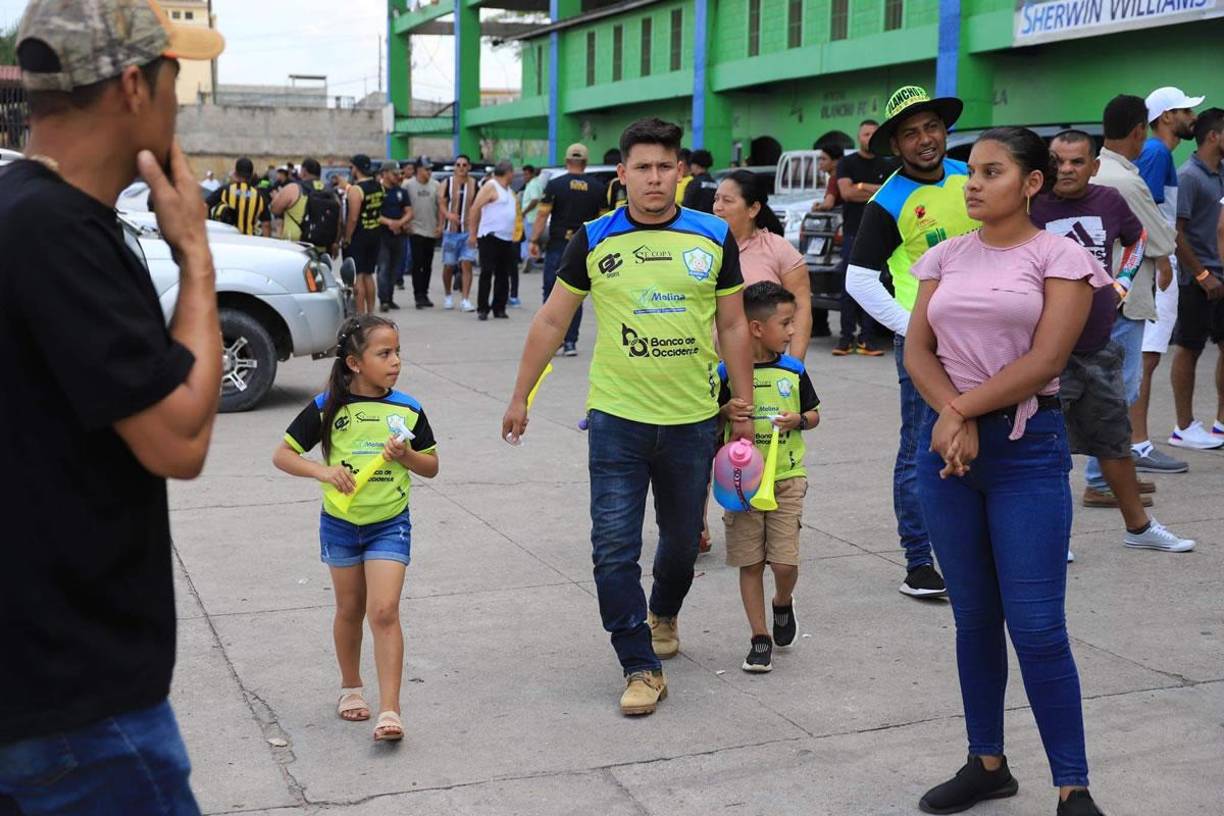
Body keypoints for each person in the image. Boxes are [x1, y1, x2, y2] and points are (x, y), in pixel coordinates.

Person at [0, 2, 224, 811]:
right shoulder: (58, 233)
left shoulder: (21, 210)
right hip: (78, 714)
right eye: (175, 81)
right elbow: (180, 438)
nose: (181, 105)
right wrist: (194, 253)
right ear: (135, 85)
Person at [501, 117, 754, 717]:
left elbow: (734, 324)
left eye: (666, 166)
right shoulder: (594, 237)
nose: (654, 178)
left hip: (693, 419)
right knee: (613, 548)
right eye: (642, 167)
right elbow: (551, 320)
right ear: (622, 175)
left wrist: (742, 406)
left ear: (683, 172)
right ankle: (639, 663)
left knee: (678, 543)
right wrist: (521, 396)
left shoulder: (714, 235)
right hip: (616, 419)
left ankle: (663, 611)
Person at [905, 127, 1111, 816]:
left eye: (992, 172)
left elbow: (1046, 361)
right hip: (948, 455)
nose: (973, 183)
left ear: (1031, 183)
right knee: (974, 619)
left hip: (1025, 453)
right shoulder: (945, 256)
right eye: (971, 172)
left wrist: (957, 410)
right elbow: (917, 350)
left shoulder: (1062, 258)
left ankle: (1072, 786)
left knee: (1038, 627)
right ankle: (987, 763)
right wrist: (951, 418)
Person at [272, 315, 439, 743]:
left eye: (398, 352)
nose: (396, 361)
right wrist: (323, 473)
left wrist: (405, 457)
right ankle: (351, 688)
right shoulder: (328, 406)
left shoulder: (409, 409)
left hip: (389, 523)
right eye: (384, 353)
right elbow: (283, 455)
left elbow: (432, 466)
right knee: (350, 609)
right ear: (354, 362)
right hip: (341, 524)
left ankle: (390, 710)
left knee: (383, 610)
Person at [846, 85, 980, 598]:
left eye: (931, 127)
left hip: (987, 337)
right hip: (925, 346)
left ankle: (990, 537)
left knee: (991, 435)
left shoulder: (972, 177)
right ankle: (918, 561)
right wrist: (914, 331)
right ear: (896, 145)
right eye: (910, 133)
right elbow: (860, 281)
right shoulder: (888, 202)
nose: (925, 140)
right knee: (922, 448)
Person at [1032, 129, 1194, 554]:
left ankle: (1139, 529)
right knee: (1049, 450)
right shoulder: (1032, 205)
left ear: (1094, 166)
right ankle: (1051, 539)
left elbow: (1138, 238)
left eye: (1076, 162)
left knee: (1114, 443)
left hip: (1098, 344)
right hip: (1047, 352)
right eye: (1058, 161)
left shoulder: (1109, 201)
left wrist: (1121, 283)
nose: (1065, 169)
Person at [1084, 99, 1192, 499]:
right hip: (1124, 299)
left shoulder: (1100, 172)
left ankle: (1112, 474)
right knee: (1120, 392)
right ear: (1138, 131)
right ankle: (1100, 480)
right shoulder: (1126, 182)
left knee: (1109, 390)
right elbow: (1163, 238)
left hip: (1103, 295)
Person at [717, 282, 821, 673]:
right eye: (786, 323)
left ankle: (782, 601)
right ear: (757, 328)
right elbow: (710, 419)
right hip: (742, 485)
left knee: (783, 563)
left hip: (786, 478)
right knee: (749, 562)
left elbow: (814, 413)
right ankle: (759, 637)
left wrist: (799, 420)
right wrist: (725, 411)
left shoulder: (793, 371)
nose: (793, 331)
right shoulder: (727, 371)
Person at [1131, 87, 1206, 470]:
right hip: (1154, 266)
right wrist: (1160, 262)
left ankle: (1135, 443)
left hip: (1156, 263)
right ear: (1165, 117)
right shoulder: (1157, 153)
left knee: (1146, 357)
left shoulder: (1159, 152)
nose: (1193, 117)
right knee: (1145, 358)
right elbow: (1142, 209)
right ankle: (1138, 444)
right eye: (1185, 110)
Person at [713, 170, 812, 358]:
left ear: (753, 209)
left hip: (765, 369)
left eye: (727, 201)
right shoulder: (703, 249)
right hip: (711, 370)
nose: (717, 207)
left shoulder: (778, 249)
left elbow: (801, 309)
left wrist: (795, 366)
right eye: (716, 199)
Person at [1170, 108, 1224, 448]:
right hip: (1197, 280)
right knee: (1188, 349)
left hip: (1221, 278)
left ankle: (1221, 424)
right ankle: (1183, 427)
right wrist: (1202, 274)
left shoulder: (1220, 173)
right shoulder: (1188, 175)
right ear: (1214, 136)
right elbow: (1176, 234)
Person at [528, 143, 607, 356]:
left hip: (558, 245)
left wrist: (534, 240)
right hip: (585, 248)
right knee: (577, 294)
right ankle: (571, 342)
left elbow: (542, 215)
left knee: (551, 291)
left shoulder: (555, 185)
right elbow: (603, 221)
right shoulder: (599, 188)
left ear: (566, 161)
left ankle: (553, 340)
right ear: (586, 162)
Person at [834, 120, 896, 356]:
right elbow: (847, 193)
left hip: (879, 236)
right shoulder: (847, 163)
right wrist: (874, 190)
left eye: (873, 134)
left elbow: (889, 194)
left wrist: (862, 186)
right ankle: (845, 339)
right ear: (859, 137)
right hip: (852, 233)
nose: (869, 137)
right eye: (865, 134)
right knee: (848, 287)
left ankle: (867, 340)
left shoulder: (887, 164)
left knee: (874, 286)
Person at [468, 159, 517, 321]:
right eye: (513, 172)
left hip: (506, 238)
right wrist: (473, 234)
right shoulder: (491, 186)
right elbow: (475, 208)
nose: (514, 175)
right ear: (508, 172)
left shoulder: (509, 190)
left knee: (503, 274)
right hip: (490, 236)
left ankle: (499, 307)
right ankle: (483, 308)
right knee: (487, 272)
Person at [271, 156, 339, 254]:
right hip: (323, 247)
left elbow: (275, 209)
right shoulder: (331, 192)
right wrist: (335, 242)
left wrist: (276, 197)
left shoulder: (294, 188)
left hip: (295, 246)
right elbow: (339, 221)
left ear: (303, 171)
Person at [343, 154, 384, 315]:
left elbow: (353, 218)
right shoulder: (378, 186)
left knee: (358, 276)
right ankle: (371, 312)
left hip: (359, 236)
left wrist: (347, 238)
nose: (350, 170)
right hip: (375, 234)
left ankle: (360, 315)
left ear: (356, 169)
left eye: (351, 167)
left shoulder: (356, 190)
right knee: (369, 274)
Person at [438, 154, 478, 312]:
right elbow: (441, 203)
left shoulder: (475, 184)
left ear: (469, 167)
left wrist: (475, 230)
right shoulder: (447, 183)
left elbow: (478, 206)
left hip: (468, 231)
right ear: (454, 167)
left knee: (467, 264)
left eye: (464, 165)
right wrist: (447, 216)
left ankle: (465, 299)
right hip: (451, 231)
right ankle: (448, 295)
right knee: (449, 265)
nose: (461, 168)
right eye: (458, 165)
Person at [404, 157, 441, 308]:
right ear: (418, 170)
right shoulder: (408, 185)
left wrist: (440, 225)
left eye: (431, 169)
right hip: (416, 229)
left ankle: (425, 293)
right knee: (417, 263)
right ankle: (418, 295)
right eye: (427, 169)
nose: (429, 172)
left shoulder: (436, 185)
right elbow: (404, 207)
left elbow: (440, 207)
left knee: (427, 264)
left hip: (431, 229)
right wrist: (406, 223)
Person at [377, 163, 412, 313]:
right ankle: (383, 299)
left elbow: (409, 211)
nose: (397, 176)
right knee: (383, 267)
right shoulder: (378, 191)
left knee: (395, 268)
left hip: (399, 235)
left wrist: (400, 223)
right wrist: (390, 223)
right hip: (382, 235)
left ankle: (390, 298)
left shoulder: (401, 192)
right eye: (393, 173)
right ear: (384, 173)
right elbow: (374, 214)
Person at [207, 156, 272, 237]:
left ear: (235, 173)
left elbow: (205, 205)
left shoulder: (225, 190)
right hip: (250, 241)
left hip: (228, 239)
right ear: (251, 175)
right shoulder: (259, 196)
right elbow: (266, 224)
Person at [682, 148, 718, 213]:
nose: (691, 167)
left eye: (691, 164)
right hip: (709, 220)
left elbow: (686, 207)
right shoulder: (715, 183)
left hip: (694, 220)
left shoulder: (693, 183)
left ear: (696, 165)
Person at [812, 146, 844, 212]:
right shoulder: (845, 177)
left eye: (824, 159)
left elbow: (828, 204)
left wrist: (817, 207)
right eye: (820, 159)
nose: (820, 163)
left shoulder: (834, 179)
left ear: (835, 162)